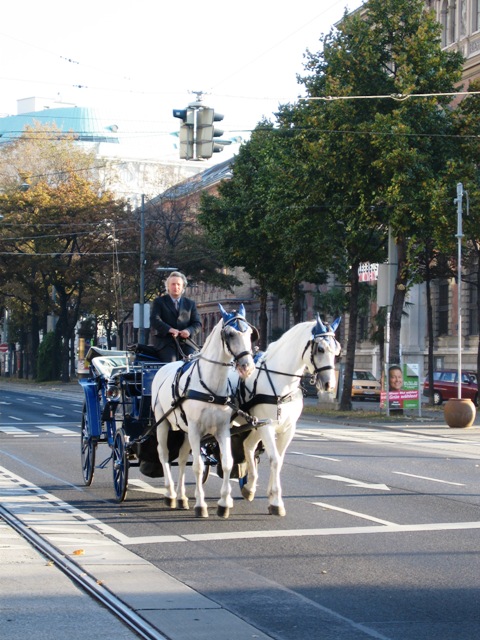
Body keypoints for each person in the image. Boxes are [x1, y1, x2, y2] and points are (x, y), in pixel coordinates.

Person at [150, 271, 202, 362]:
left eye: (178, 284)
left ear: (183, 287)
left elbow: (197, 323)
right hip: (165, 343)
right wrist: (169, 329)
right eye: (173, 284)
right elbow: (154, 320)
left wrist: (188, 331)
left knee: (193, 362)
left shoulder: (190, 304)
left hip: (186, 343)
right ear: (168, 287)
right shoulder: (159, 302)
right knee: (172, 364)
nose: (176, 287)